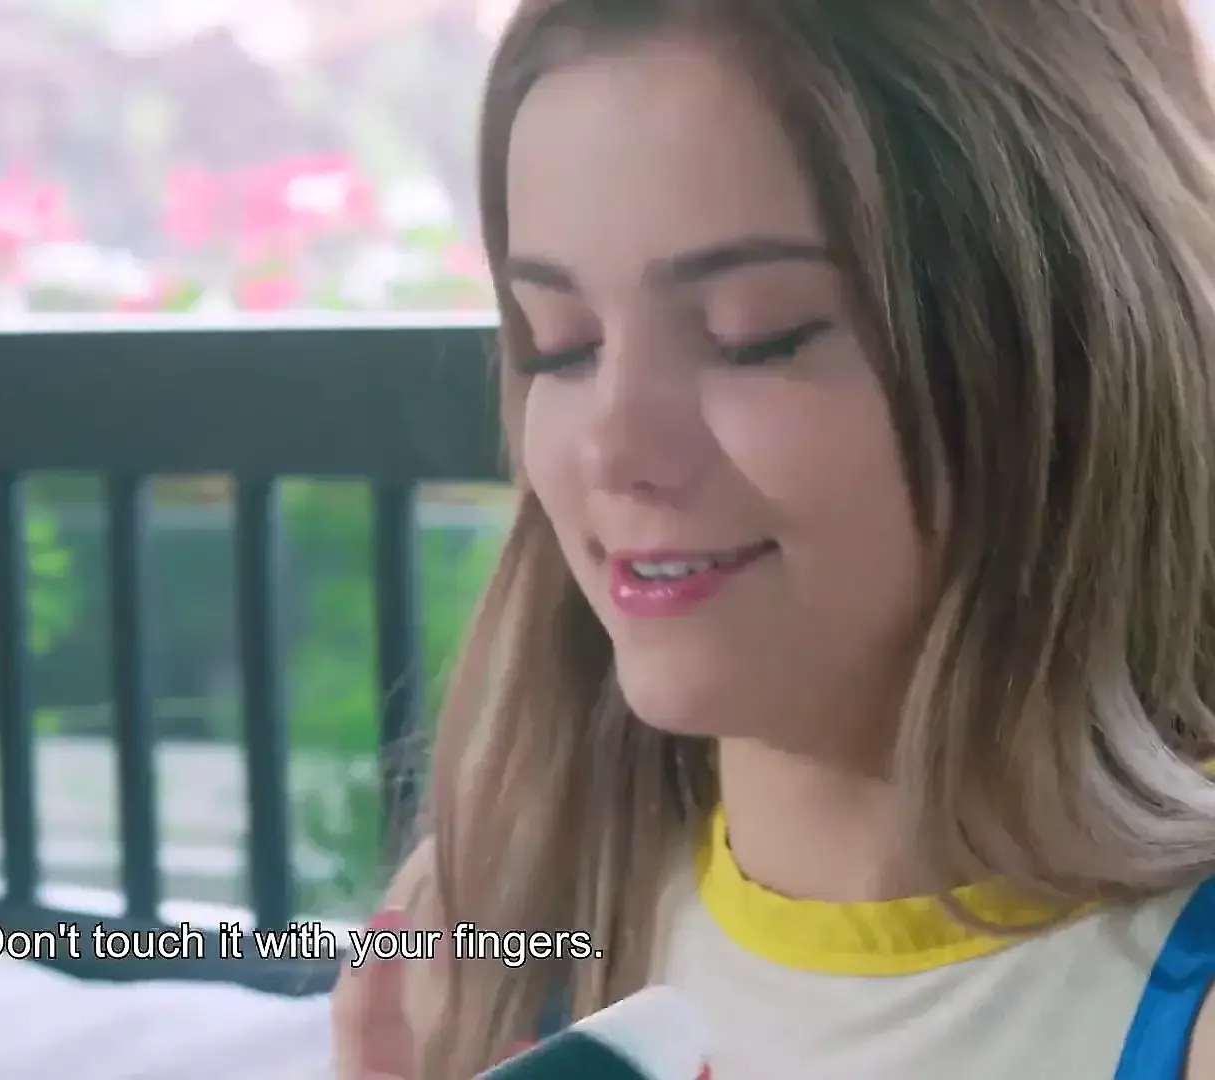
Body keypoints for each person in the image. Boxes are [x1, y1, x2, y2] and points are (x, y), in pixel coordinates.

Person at [330, 1, 1215, 1077]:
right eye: (562, 344)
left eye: (755, 336)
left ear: (1077, 345)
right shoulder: (496, 927)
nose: (612, 447)